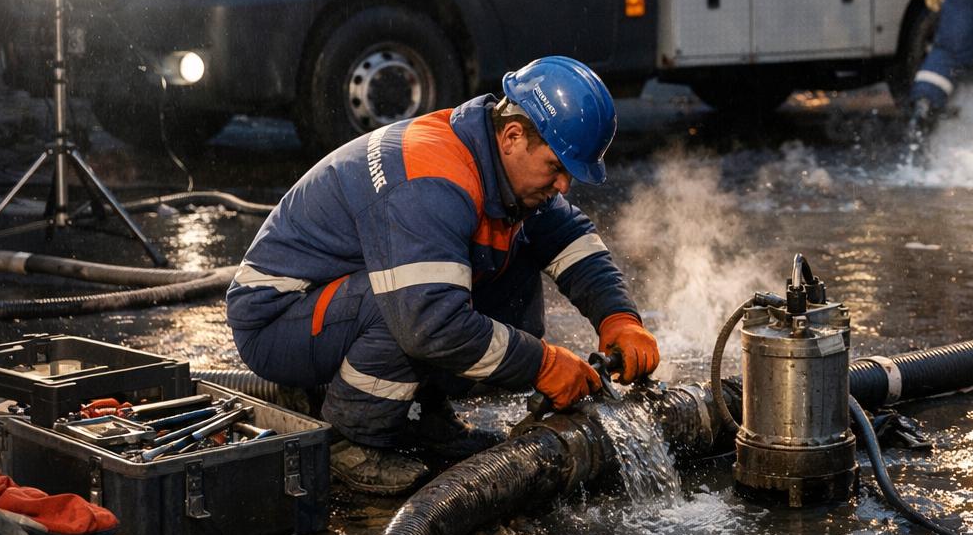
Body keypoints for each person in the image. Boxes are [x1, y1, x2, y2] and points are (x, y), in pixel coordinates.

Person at [226, 56, 660, 494]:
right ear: (512, 135)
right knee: (415, 308)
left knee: (502, 261)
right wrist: (542, 363)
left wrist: (618, 318)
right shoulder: (433, 178)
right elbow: (429, 322)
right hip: (277, 319)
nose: (564, 186)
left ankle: (421, 416)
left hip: (330, 300)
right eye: (557, 168)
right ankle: (349, 438)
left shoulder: (498, 163)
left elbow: (570, 239)